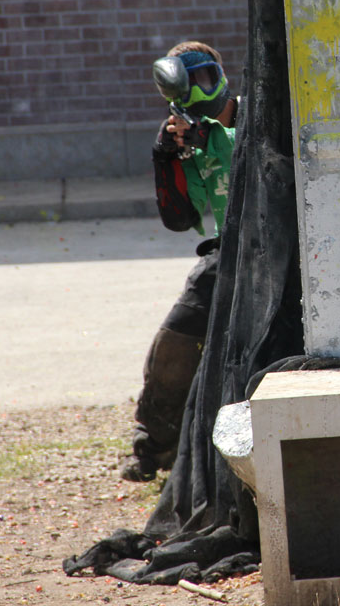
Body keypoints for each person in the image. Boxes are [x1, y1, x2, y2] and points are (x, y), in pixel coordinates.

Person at [120, 40, 239, 482]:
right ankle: (155, 447)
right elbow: (180, 218)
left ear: (221, 75)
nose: (201, 91)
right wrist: (165, 158)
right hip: (228, 252)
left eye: (206, 77)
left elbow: (263, 155)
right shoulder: (186, 139)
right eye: (190, 85)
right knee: (174, 341)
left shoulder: (257, 115)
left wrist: (210, 137)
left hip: (282, 248)